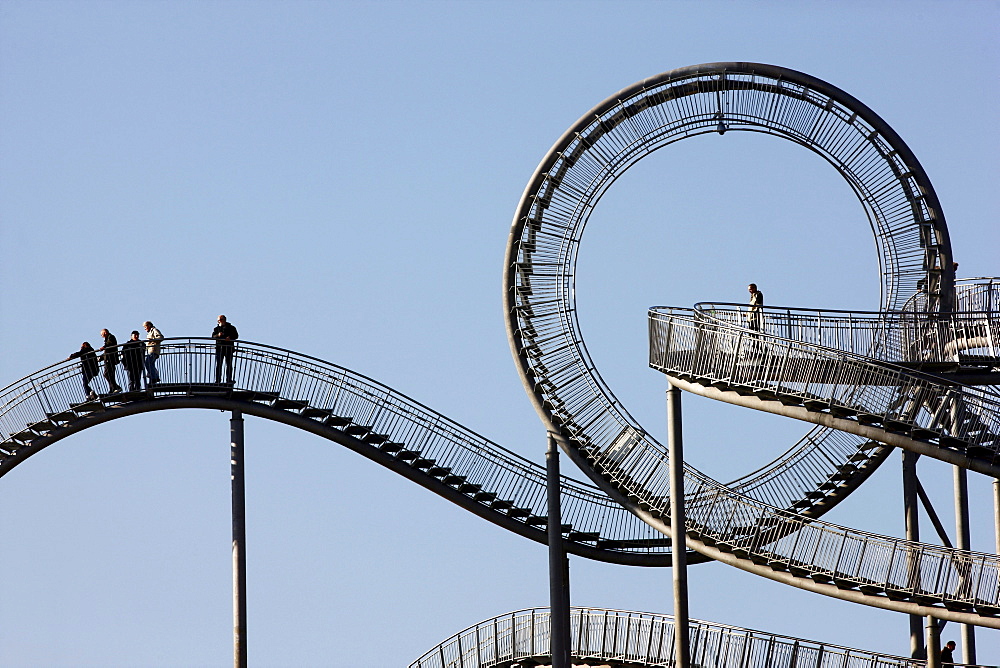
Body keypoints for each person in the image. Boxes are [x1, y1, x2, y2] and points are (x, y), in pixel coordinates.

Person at [212, 315, 239, 384]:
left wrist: (229, 338)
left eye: (220, 320)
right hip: (219, 349)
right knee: (219, 365)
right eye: (218, 320)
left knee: (229, 365)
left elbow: (236, 336)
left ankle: (229, 379)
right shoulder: (216, 329)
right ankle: (218, 380)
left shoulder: (231, 328)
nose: (219, 321)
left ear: (224, 320)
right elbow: (213, 336)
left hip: (228, 349)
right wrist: (218, 335)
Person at [98, 329, 123, 394]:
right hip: (109, 358)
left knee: (107, 374)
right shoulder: (108, 339)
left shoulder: (111, 337)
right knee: (110, 374)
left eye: (101, 334)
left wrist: (104, 347)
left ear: (105, 333)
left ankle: (115, 387)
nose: (101, 336)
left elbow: (109, 345)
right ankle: (112, 388)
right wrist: (100, 358)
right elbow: (107, 351)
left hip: (110, 359)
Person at [143, 321, 164, 385]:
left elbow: (161, 337)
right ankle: (154, 377)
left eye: (145, 327)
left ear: (149, 325)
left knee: (148, 363)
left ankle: (154, 377)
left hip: (153, 350)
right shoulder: (150, 332)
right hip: (151, 350)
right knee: (151, 364)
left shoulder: (154, 330)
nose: (145, 328)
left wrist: (152, 340)